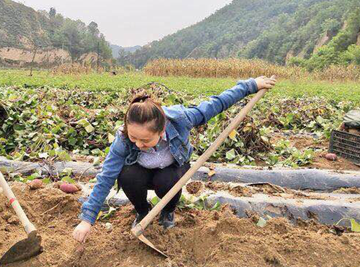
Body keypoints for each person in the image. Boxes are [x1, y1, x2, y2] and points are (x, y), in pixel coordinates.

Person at [73, 76, 276, 242]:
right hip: (140, 172)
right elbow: (106, 177)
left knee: (168, 182)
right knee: (126, 175)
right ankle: (143, 212)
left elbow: (217, 103)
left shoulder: (181, 119)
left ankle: (167, 212)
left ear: (161, 132)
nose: (137, 144)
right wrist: (87, 220)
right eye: (133, 137)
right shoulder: (124, 139)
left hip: (170, 170)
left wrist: (251, 85)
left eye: (144, 140)